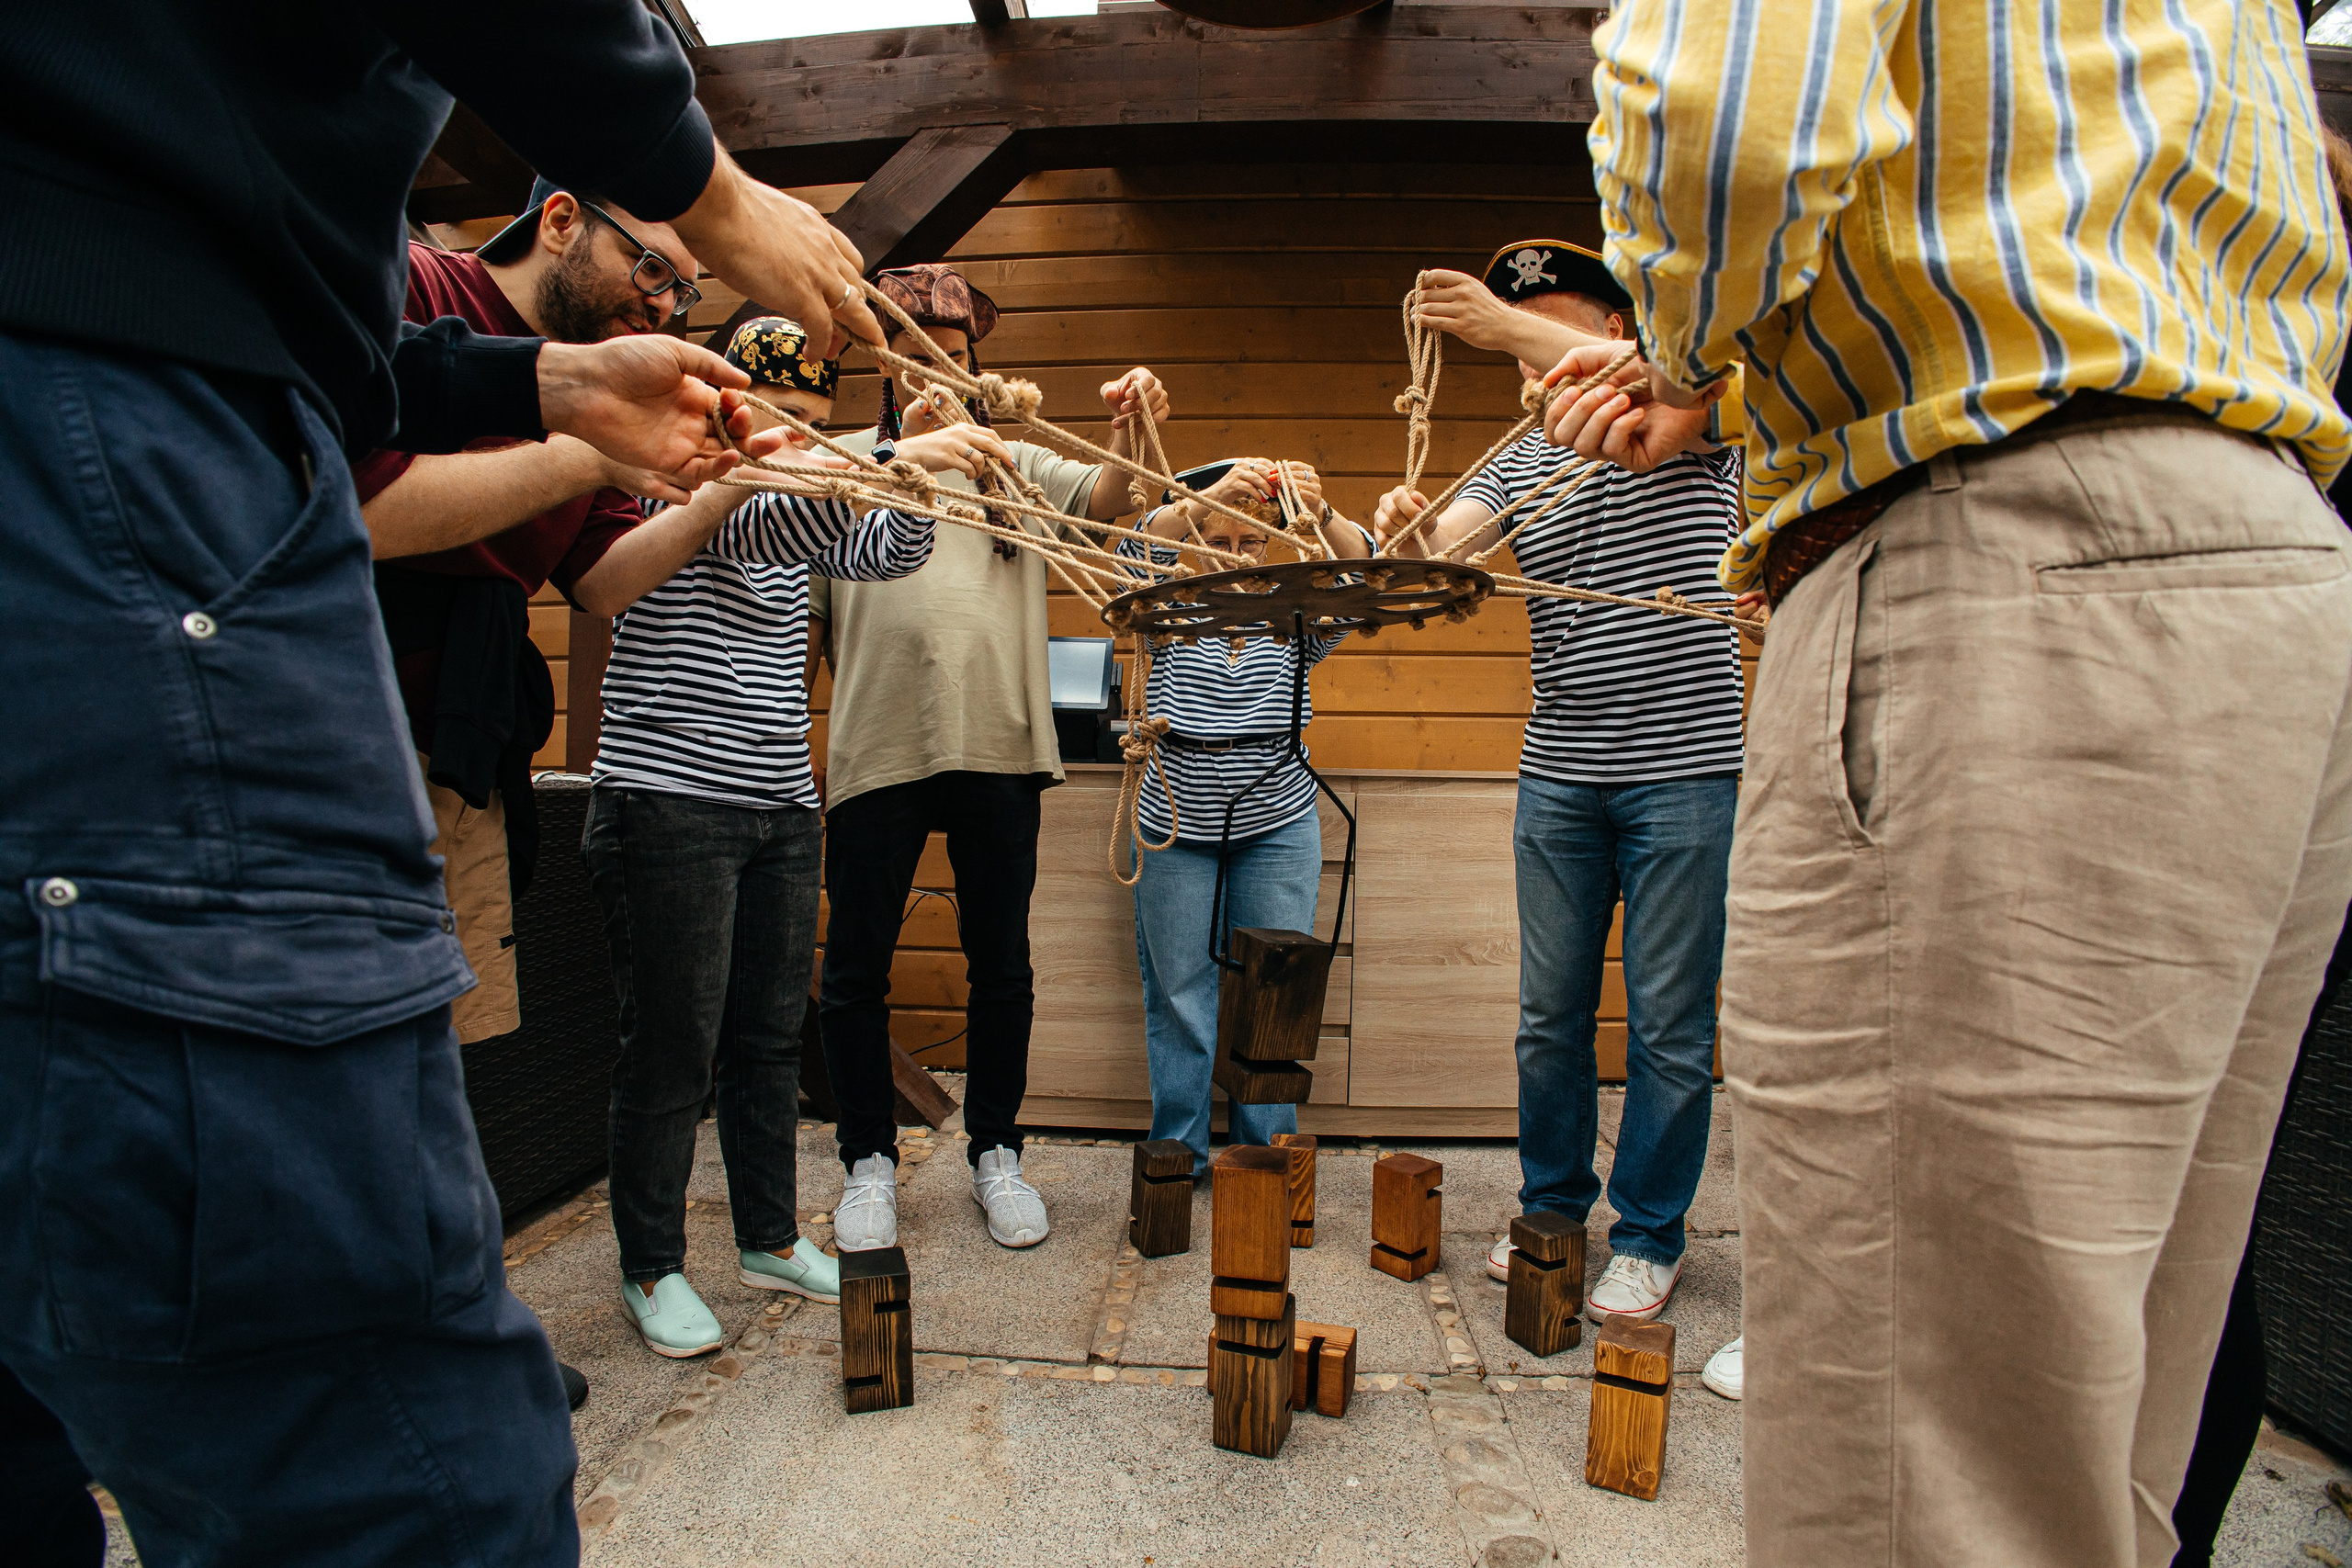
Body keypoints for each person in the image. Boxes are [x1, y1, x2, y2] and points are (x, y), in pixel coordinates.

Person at [0, 3, 884, 1561]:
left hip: (115, 465)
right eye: (660, 265)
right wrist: (721, 192)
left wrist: (545, 393)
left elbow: (333, 374)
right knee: (393, 1461)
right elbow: (486, 530)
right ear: (565, 209)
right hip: (123, 501)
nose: (680, 284)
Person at [1576, 3, 2352, 1563]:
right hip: (2257, 564)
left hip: (2007, 575)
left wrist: (1687, 331)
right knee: (2087, 1439)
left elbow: (1731, 117)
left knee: (1928, 1482)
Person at [581, 317, 990, 1357]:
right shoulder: (672, 476)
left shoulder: (801, 496)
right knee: (670, 1050)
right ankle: (652, 1264)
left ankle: (765, 1235)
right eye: (788, 419)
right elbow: (763, 512)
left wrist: (917, 473)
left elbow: (886, 550)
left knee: (765, 1040)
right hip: (667, 799)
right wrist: (889, 455)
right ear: (729, 405)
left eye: (819, 420)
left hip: (774, 799)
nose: (808, 437)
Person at [1376, 240, 1750, 1337]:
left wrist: (1502, 324)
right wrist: (1401, 529)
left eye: (1554, 326)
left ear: (1618, 334)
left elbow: (1695, 381)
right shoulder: (1516, 459)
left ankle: (1645, 1236)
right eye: (1516, 335)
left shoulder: (1684, 416)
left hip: (1687, 770)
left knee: (1671, 1029)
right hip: (1561, 777)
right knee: (1548, 1022)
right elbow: (1444, 545)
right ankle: (1552, 1211)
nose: (1526, 363)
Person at [362, 178, 786, 1047]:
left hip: (465, 742)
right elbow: (358, 512)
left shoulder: (605, 377)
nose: (665, 305)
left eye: (683, 290)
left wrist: (712, 491)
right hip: (344, 725)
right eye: (653, 268)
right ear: (559, 222)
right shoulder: (412, 285)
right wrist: (587, 451)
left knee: (436, 1050)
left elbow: (600, 581)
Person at [814, 263, 1172, 1254]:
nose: (939, 370)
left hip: (1001, 746)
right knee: (853, 968)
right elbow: (798, 621)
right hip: (876, 745)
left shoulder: (1011, 464)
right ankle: (867, 1161)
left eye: (957, 353)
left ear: (978, 365)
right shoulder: (839, 463)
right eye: (917, 351)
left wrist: (1129, 422)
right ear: (885, 366)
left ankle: (995, 1151)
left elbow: (1110, 497)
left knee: (1000, 966)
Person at [1119, 458, 1372, 1172]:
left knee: (1275, 987)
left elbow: (1360, 582)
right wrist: (1200, 505)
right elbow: (1124, 554)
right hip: (1174, 814)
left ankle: (1266, 1161)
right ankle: (1181, 1153)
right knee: (1180, 992)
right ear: (1196, 542)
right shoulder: (1161, 602)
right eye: (1221, 543)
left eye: (1249, 544)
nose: (1236, 558)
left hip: (1278, 815)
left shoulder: (1292, 611)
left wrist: (1319, 515)